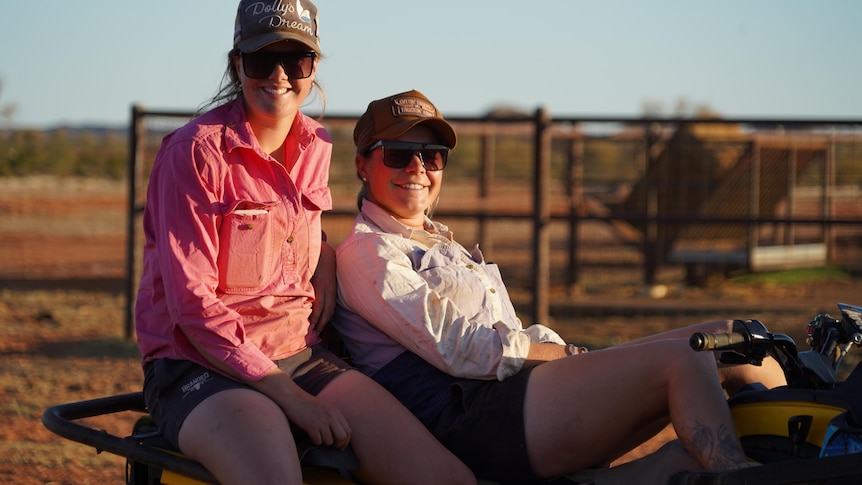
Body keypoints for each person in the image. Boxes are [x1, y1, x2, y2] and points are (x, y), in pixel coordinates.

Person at [332, 89, 788, 483]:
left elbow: (500, 338)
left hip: (515, 394)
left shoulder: (438, 238)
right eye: (397, 153)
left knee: (736, 340)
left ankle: (810, 458)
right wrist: (565, 355)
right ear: (362, 165)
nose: (417, 167)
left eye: (431, 156)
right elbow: (459, 350)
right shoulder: (369, 252)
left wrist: (569, 355)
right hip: (472, 416)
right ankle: (742, 479)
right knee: (683, 359)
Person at [134, 5, 475, 484]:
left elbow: (290, 224)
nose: (279, 75)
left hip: (297, 351)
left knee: (444, 478)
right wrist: (290, 398)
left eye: (296, 60)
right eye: (261, 60)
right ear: (237, 65)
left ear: (313, 68)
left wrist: (326, 254)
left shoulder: (317, 142)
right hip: (198, 361)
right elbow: (192, 306)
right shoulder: (194, 153)